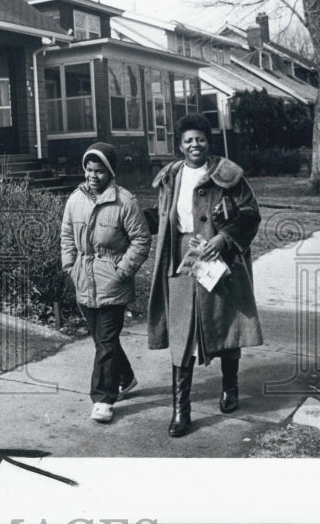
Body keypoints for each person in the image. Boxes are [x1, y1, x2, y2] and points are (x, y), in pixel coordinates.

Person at [146, 113, 263, 437]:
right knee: (182, 333)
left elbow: (251, 214)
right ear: (179, 145)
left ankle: (230, 387)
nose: (194, 145)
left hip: (219, 260)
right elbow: (160, 217)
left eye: (199, 139)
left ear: (207, 141)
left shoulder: (227, 174)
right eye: (188, 140)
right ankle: (180, 411)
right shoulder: (171, 176)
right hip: (181, 259)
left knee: (222, 325)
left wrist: (223, 238)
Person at [61, 142, 151, 424]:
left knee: (107, 342)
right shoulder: (75, 199)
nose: (92, 176)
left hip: (113, 283)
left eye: (99, 171)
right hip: (83, 281)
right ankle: (127, 377)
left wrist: (122, 271)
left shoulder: (125, 202)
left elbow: (141, 239)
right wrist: (69, 265)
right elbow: (66, 234)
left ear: (110, 172)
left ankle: (103, 399)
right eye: (88, 170)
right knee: (103, 341)